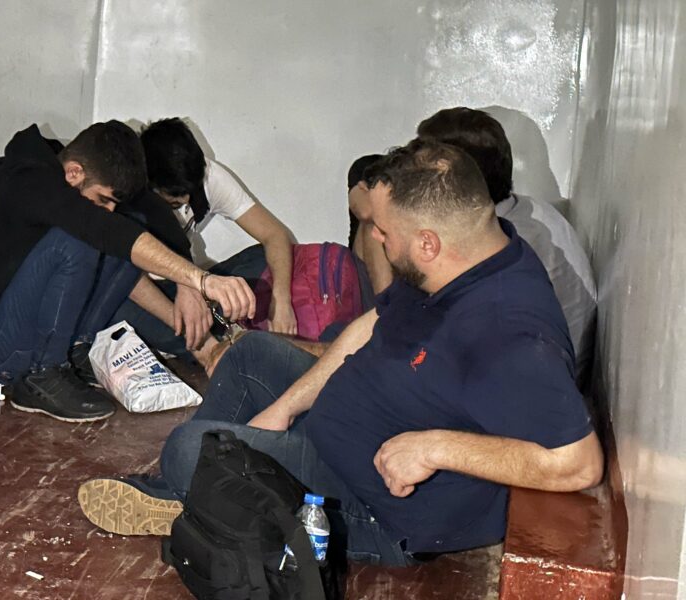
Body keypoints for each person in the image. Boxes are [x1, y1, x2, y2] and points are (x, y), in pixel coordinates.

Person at [77, 139, 603, 566]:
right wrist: (285, 409)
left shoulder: (509, 333)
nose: (375, 238)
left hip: (370, 502)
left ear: (427, 243)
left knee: (188, 448)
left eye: (383, 231)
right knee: (251, 353)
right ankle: (195, 493)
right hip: (341, 429)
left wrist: (435, 449)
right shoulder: (467, 256)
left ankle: (192, 489)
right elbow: (374, 323)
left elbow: (579, 464)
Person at [0, 121, 254, 423]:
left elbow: (152, 211)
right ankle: (42, 374)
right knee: (84, 238)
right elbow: (103, 228)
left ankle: (74, 353)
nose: (107, 208)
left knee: (125, 228)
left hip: (25, 329)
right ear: (74, 173)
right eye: (103, 198)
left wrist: (186, 284)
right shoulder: (28, 180)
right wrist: (202, 280)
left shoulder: (73, 175)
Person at [415, 107, 597, 386]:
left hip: (535, 387)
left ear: (452, 178)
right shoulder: (523, 211)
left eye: (419, 172)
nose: (412, 184)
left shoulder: (505, 243)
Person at [109, 117, 297, 360]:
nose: (187, 200)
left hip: (197, 282)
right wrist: (198, 334)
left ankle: (214, 325)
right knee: (117, 309)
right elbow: (124, 276)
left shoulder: (208, 175)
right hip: (145, 291)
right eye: (175, 198)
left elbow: (275, 234)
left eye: (190, 191)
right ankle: (209, 332)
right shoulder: (127, 192)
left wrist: (281, 302)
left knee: (265, 259)